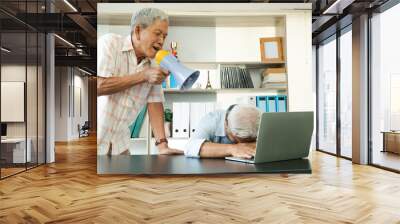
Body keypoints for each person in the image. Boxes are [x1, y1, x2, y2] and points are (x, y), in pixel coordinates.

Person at [97, 8, 182, 156]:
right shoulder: (109, 43)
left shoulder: (154, 64)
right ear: (137, 31)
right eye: (157, 33)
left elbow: (155, 103)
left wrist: (162, 146)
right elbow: (97, 86)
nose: (161, 41)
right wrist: (143, 76)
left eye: (164, 36)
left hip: (120, 145)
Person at [184, 104, 262, 158]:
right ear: (226, 124)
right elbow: (190, 147)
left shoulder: (255, 119)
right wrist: (233, 149)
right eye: (238, 140)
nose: (244, 145)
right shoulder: (211, 120)